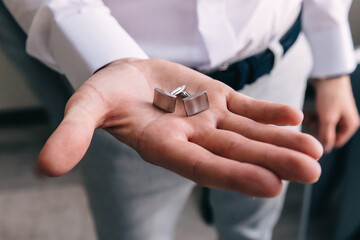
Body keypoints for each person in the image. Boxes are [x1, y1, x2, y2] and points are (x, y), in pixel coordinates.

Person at [3, 0, 359, 239]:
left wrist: (332, 60)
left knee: (257, 212)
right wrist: (109, 61)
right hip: (129, 94)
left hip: (278, 58)